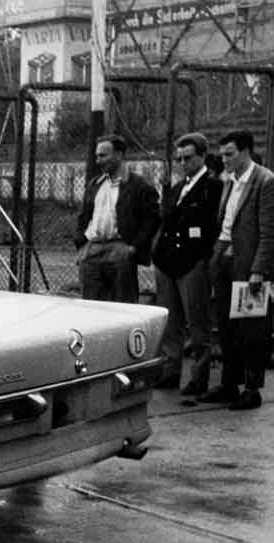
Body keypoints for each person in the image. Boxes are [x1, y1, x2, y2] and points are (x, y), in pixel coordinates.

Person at [199, 130, 274, 410]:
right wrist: (215, 259)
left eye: (230, 154)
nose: (225, 159)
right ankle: (229, 383)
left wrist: (259, 270)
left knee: (253, 330)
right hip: (225, 260)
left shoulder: (264, 181)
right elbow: (225, 224)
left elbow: (268, 232)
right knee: (227, 327)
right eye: (222, 155)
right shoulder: (229, 182)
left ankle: (252, 388)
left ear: (246, 151)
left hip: (248, 265)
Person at [151, 132, 222, 396]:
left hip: (193, 262)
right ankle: (170, 371)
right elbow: (166, 222)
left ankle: (199, 377)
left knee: (198, 322)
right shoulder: (178, 188)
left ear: (202, 156)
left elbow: (213, 225)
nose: (183, 163)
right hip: (168, 261)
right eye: (179, 158)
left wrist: (204, 259)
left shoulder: (213, 187)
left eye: (188, 158)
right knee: (172, 322)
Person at [73, 134, 160, 304]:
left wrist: (133, 248)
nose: (98, 160)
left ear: (119, 155)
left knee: (123, 306)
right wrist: (81, 244)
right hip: (92, 250)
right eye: (97, 156)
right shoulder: (94, 184)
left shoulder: (139, 186)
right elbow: (83, 216)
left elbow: (152, 220)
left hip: (120, 250)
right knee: (91, 307)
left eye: (103, 155)